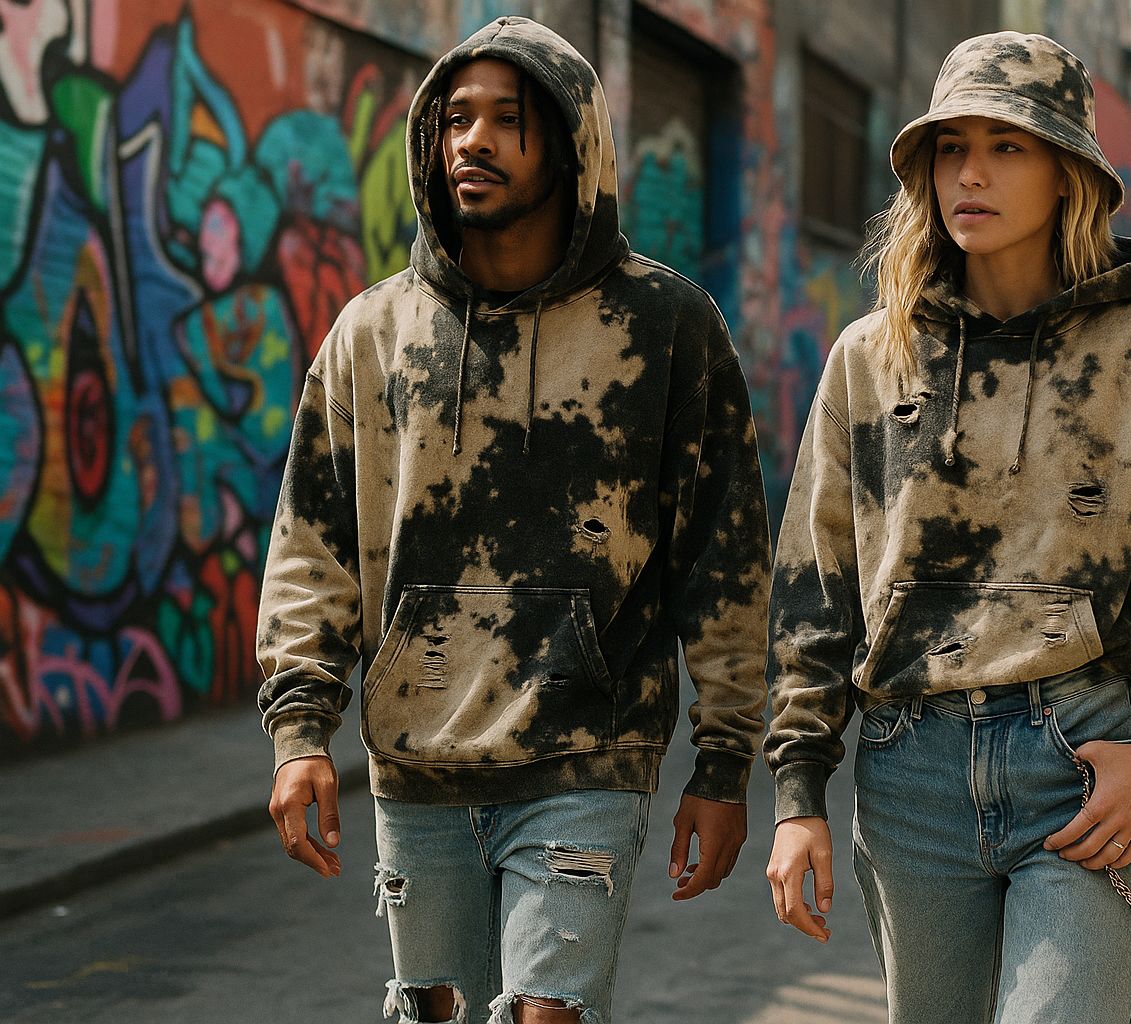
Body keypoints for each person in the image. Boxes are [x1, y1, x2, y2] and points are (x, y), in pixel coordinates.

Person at [256, 17, 772, 1024]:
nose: (470, 143)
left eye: (506, 119)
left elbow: (726, 557)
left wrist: (725, 759)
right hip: (420, 758)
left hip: (590, 750)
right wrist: (299, 729)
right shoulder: (373, 333)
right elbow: (311, 545)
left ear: (573, 142)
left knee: (547, 1015)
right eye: (454, 120)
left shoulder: (666, 325)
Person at [763, 32, 1131, 1024]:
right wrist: (796, 794)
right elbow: (814, 591)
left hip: (1083, 758)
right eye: (953, 147)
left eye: (1008, 146)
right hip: (911, 772)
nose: (972, 172)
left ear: (1068, 172)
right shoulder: (874, 358)